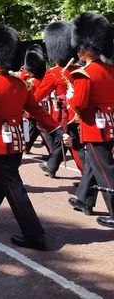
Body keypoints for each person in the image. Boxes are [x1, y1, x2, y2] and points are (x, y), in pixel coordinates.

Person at [0, 25, 64, 251]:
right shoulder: (20, 84)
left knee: (13, 186)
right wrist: (56, 130)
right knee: (2, 179)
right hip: (16, 141)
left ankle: (34, 234)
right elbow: (38, 112)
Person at [67, 13, 114, 228]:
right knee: (94, 163)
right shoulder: (109, 70)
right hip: (110, 122)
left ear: (84, 48)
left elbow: (79, 103)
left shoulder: (85, 73)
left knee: (105, 170)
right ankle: (85, 199)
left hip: (94, 127)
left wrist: (70, 98)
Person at [37, 22, 83, 176]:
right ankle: (52, 166)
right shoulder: (80, 70)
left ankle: (88, 179)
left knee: (74, 146)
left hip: (66, 114)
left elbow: (39, 95)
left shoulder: (54, 72)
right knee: (66, 141)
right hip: (79, 112)